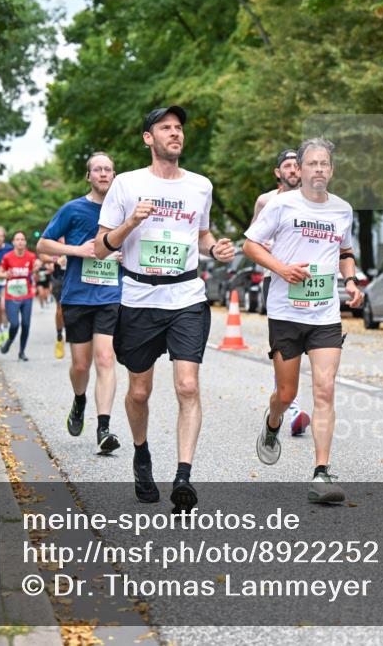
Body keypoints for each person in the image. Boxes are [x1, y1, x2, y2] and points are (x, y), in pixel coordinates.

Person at [95, 106, 235, 512]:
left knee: (188, 386)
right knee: (139, 391)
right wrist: (131, 223)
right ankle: (141, 455)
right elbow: (103, 246)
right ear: (148, 138)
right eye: (165, 128)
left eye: (178, 128)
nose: (175, 134)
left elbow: (203, 234)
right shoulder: (126, 184)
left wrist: (216, 249)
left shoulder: (200, 186)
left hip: (187, 297)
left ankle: (183, 476)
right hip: (139, 299)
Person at [243, 137, 364, 503]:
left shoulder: (342, 209)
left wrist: (351, 280)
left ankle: (321, 473)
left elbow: (344, 251)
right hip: (285, 311)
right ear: (302, 169)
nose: (318, 170)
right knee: (287, 393)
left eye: (324, 164)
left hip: (325, 312)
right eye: (312, 163)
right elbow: (251, 244)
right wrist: (281, 268)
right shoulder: (281, 205)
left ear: (331, 169)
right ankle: (273, 421)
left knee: (325, 389)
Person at [37, 151, 122, 454]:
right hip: (77, 297)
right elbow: (42, 244)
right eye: (97, 169)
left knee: (105, 359)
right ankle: (79, 399)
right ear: (88, 176)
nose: (102, 174)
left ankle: (104, 428)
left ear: (114, 176)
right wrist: (78, 250)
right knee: (80, 364)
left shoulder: (124, 211)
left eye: (107, 169)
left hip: (110, 296)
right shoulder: (73, 209)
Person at [252, 149, 312, 436]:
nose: (292, 170)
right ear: (278, 172)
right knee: (285, 347)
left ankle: (290, 401)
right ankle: (293, 406)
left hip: (308, 280)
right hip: (275, 280)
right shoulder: (266, 200)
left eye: (296, 165)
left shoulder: (316, 202)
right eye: (287, 166)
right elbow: (254, 240)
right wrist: (276, 259)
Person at [0, 231, 40, 361]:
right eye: (17, 239)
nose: (20, 242)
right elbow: (0, 273)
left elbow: (35, 272)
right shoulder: (7, 257)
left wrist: (37, 268)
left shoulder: (31, 256)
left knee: (26, 324)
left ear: (25, 242)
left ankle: (22, 352)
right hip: (11, 295)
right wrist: (6, 275)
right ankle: (10, 341)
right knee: (14, 324)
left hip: (26, 295)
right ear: (13, 242)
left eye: (22, 239)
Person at [50, 251, 67, 358]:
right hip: (59, 280)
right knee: (60, 310)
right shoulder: (55, 239)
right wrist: (55, 260)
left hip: (76, 279)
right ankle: (59, 336)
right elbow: (42, 253)